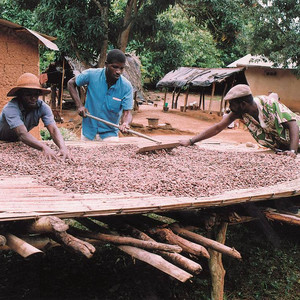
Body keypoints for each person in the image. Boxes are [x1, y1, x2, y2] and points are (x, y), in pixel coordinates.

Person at [179, 84, 300, 158]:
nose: (230, 108)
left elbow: (293, 125)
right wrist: (191, 141)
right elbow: (218, 127)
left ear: (243, 104)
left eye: (232, 104)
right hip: (285, 146)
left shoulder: (269, 104)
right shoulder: (241, 112)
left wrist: (292, 151)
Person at [0, 73, 73, 161]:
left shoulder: (43, 107)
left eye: (36, 94)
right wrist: (43, 147)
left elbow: (53, 129)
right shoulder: (11, 108)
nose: (33, 98)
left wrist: (63, 148)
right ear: (20, 95)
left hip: (17, 142)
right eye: (28, 95)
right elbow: (22, 133)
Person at [67, 49, 133, 141]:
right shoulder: (91, 74)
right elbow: (71, 83)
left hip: (109, 135)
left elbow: (127, 112)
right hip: (88, 133)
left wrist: (125, 123)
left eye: (121, 68)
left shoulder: (127, 87)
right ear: (106, 65)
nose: (118, 71)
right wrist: (79, 106)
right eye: (115, 67)